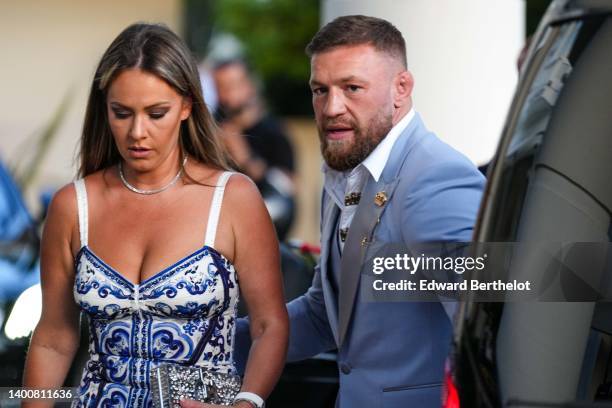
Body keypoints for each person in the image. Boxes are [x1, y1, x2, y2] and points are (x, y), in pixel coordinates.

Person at [22, 23, 288, 408]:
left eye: (156, 113)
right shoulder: (72, 206)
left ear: (186, 106)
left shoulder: (232, 199)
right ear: (105, 109)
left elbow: (269, 325)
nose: (137, 132)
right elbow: (54, 337)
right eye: (122, 113)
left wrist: (246, 403)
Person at [232, 15, 485, 408]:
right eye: (320, 90)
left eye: (352, 88)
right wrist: (209, 343)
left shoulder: (433, 178)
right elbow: (324, 314)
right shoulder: (346, 175)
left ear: (401, 88)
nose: (332, 107)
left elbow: (489, 326)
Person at [212, 60, 296, 240]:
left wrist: (244, 157)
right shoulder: (211, 129)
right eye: (220, 88)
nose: (226, 96)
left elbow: (287, 195)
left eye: (233, 86)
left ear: (249, 86)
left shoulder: (273, 132)